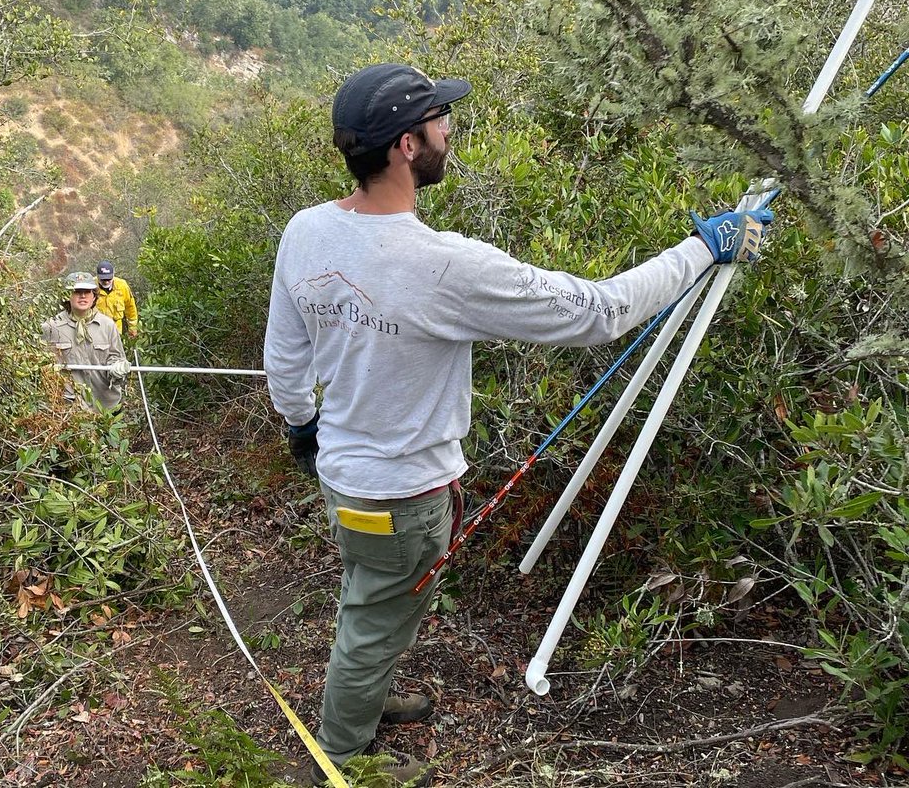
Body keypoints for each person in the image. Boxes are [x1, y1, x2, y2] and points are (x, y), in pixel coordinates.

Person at [262, 63, 773, 786]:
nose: (450, 129)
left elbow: (284, 358)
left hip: (345, 478)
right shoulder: (442, 266)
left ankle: (365, 700)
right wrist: (705, 246)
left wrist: (303, 429)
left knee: (377, 601)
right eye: (440, 120)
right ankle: (341, 760)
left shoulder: (307, 230)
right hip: (403, 494)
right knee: (373, 622)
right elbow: (600, 312)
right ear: (407, 145)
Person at [43, 271, 129, 411]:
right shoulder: (51, 327)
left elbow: (117, 359)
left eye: (87, 291)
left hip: (106, 406)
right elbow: (42, 368)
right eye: (77, 291)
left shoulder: (107, 325)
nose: (82, 296)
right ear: (67, 296)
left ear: (94, 296)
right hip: (68, 409)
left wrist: (118, 368)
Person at [94, 260, 139, 340]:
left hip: (116, 332)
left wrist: (132, 328)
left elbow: (130, 308)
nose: (106, 282)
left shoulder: (122, 286)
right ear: (97, 276)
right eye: (103, 280)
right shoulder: (91, 286)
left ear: (113, 275)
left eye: (109, 279)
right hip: (96, 331)